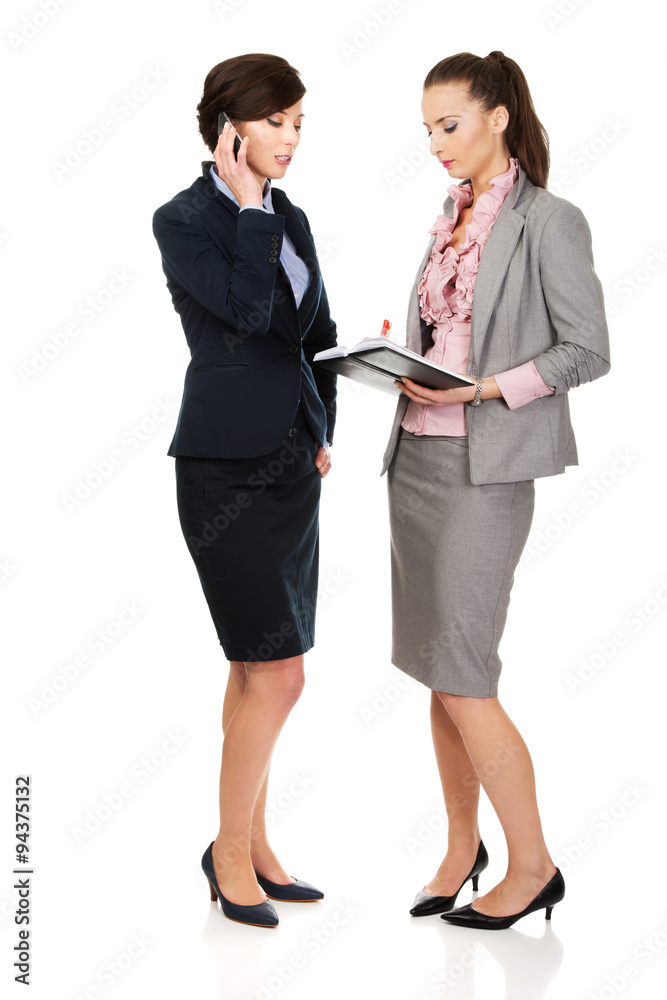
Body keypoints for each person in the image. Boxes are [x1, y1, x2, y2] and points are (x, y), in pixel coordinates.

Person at [381, 50, 610, 930]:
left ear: (497, 117)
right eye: (427, 130)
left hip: (485, 471)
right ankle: (460, 849)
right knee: (440, 674)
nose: (436, 143)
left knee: (467, 674)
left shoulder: (549, 220)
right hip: (414, 461)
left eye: (449, 124)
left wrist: (478, 390)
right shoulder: (449, 216)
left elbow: (585, 351)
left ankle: (535, 866)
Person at [152, 53, 337, 928]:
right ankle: (228, 854)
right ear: (229, 128)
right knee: (280, 675)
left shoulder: (291, 214)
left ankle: (252, 843)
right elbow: (245, 312)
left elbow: (314, 333)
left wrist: (322, 429)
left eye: (299, 122)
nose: (291, 138)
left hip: (291, 465)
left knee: (254, 667)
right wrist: (250, 207)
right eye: (275, 121)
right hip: (224, 468)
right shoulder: (184, 218)